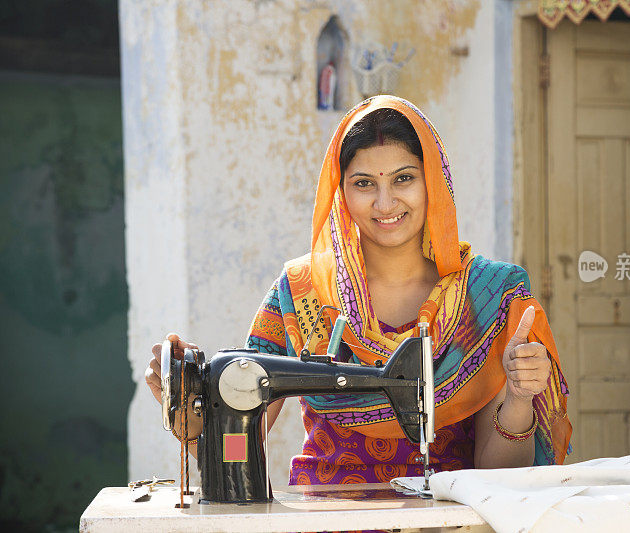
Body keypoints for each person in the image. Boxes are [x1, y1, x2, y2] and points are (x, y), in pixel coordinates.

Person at [145, 95, 572, 486]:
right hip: (326, 520)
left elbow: (502, 478)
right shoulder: (301, 293)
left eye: (403, 178)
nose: (385, 204)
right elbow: (235, 454)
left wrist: (518, 399)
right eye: (364, 183)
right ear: (341, 192)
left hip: (444, 521)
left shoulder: (487, 299)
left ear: (433, 182)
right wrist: (193, 423)